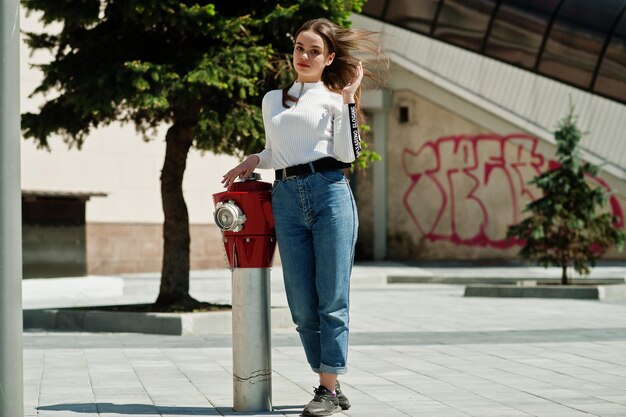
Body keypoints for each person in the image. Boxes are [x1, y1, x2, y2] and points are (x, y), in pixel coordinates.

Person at [222, 18, 379, 416]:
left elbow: (347, 154)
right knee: (302, 308)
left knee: (332, 299)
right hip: (286, 197)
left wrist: (348, 100)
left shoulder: (333, 98)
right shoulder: (273, 99)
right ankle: (331, 379)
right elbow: (279, 151)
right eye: (298, 48)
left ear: (329, 58)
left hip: (329, 193)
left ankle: (326, 389)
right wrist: (256, 158)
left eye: (314, 51)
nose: (304, 56)